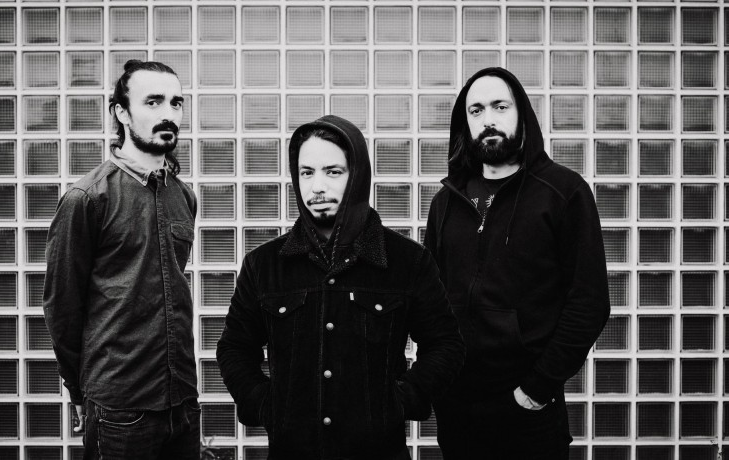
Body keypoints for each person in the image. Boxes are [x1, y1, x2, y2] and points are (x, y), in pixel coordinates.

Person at [216, 115, 465, 460]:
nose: (317, 187)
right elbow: (234, 348)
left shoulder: (408, 261)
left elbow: (445, 343)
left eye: (332, 172)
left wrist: (402, 400)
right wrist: (265, 404)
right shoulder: (264, 265)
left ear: (357, 176)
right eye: (306, 173)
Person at [425, 67, 611, 459]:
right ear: (465, 124)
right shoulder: (447, 202)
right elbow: (431, 301)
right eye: (476, 110)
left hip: (528, 411)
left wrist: (536, 389)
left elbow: (589, 302)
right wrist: (436, 379)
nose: (488, 119)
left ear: (521, 114)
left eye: (500, 106)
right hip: (458, 409)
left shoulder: (562, 193)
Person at [43, 60, 199, 460]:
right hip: (120, 408)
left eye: (176, 103)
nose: (169, 113)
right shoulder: (87, 199)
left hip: (182, 400)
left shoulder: (183, 196)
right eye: (153, 102)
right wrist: (78, 389)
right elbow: (62, 305)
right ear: (122, 113)